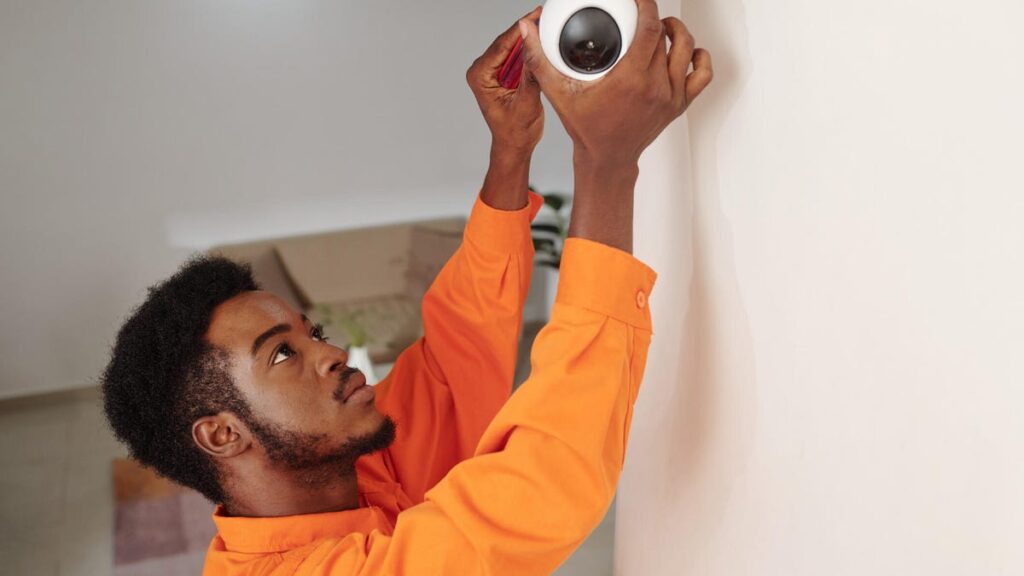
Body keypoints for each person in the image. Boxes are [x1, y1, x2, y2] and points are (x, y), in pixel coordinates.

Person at [99, 2, 712, 574]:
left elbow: (455, 358)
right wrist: (606, 164)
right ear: (223, 434)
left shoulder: (348, 463)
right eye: (282, 353)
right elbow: (545, 483)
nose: (331, 352)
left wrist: (511, 148)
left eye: (310, 334)